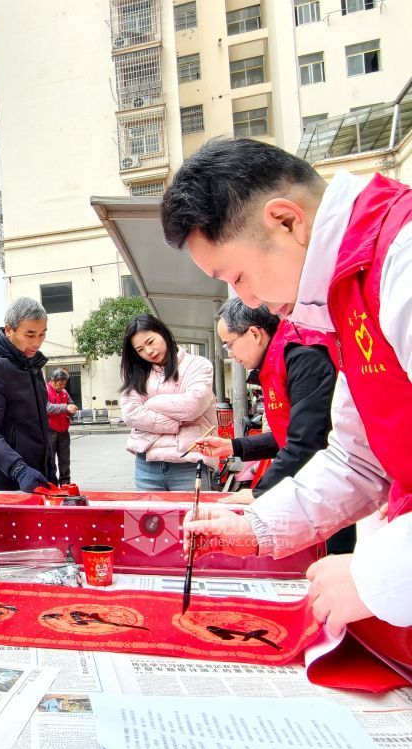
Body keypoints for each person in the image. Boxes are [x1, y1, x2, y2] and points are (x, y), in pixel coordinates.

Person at [160, 137, 412, 637]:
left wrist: (375, 576)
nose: (245, 297)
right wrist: (258, 525)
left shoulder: (401, 261)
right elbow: (358, 459)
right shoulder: (345, 296)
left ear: (286, 221)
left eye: (237, 275)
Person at [196, 300, 354, 552]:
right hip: (319, 483)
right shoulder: (279, 357)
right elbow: (290, 434)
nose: (230, 354)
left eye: (229, 344)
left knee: (335, 556)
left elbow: (307, 440)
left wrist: (261, 491)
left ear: (255, 333)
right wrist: (232, 446)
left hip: (337, 487)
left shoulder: (303, 356)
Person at [119, 314, 217, 492]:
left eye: (150, 341)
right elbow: (130, 414)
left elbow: (192, 406)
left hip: (189, 461)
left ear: (162, 332)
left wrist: (151, 402)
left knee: (193, 519)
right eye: (140, 349)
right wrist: (176, 423)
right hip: (146, 465)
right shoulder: (137, 373)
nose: (148, 352)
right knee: (147, 519)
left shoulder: (198, 365)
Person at [0, 297, 55, 492]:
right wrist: (19, 469)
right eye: (30, 334)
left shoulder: (30, 364)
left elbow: (39, 425)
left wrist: (50, 469)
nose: (37, 342)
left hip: (34, 475)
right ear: (9, 330)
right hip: (4, 478)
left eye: (42, 334)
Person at [46, 368, 78, 485]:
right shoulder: (45, 390)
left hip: (64, 430)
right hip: (50, 431)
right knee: (50, 460)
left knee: (65, 459)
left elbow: (70, 403)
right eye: (60, 383)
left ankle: (65, 483)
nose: (62, 386)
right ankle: (52, 483)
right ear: (53, 380)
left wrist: (72, 409)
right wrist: (65, 407)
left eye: (64, 384)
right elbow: (47, 407)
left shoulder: (64, 392)